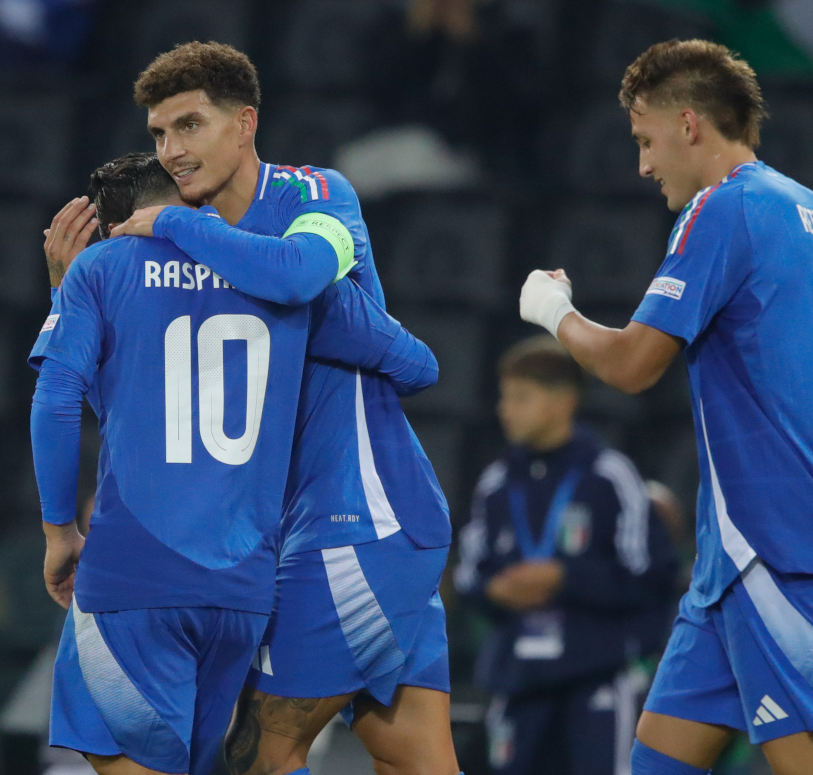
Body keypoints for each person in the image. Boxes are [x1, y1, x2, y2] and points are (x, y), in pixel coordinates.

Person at [99, 42, 458, 775]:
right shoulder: (183, 260)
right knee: (411, 751)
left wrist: (175, 225)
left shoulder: (311, 195)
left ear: (244, 123)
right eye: (159, 134)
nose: (170, 151)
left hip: (357, 519)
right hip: (317, 528)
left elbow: (297, 277)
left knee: (265, 751)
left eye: (190, 126)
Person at [30, 151, 438, 775]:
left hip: (136, 571)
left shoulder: (101, 271)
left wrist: (60, 531)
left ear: (112, 227)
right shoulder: (275, 275)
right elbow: (417, 364)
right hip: (242, 586)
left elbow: (64, 401)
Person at [518, 39, 813, 775]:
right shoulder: (801, 204)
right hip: (728, 564)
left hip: (773, 553)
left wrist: (554, 310)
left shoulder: (723, 207)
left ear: (689, 125)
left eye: (646, 141)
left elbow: (631, 364)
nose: (644, 166)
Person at [455, 335, 678, 775]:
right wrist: (494, 590)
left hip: (596, 677)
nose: (506, 409)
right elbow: (466, 578)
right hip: (518, 682)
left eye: (521, 397)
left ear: (563, 401)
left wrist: (565, 578)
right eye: (504, 397)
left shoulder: (609, 477)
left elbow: (652, 573)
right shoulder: (496, 484)